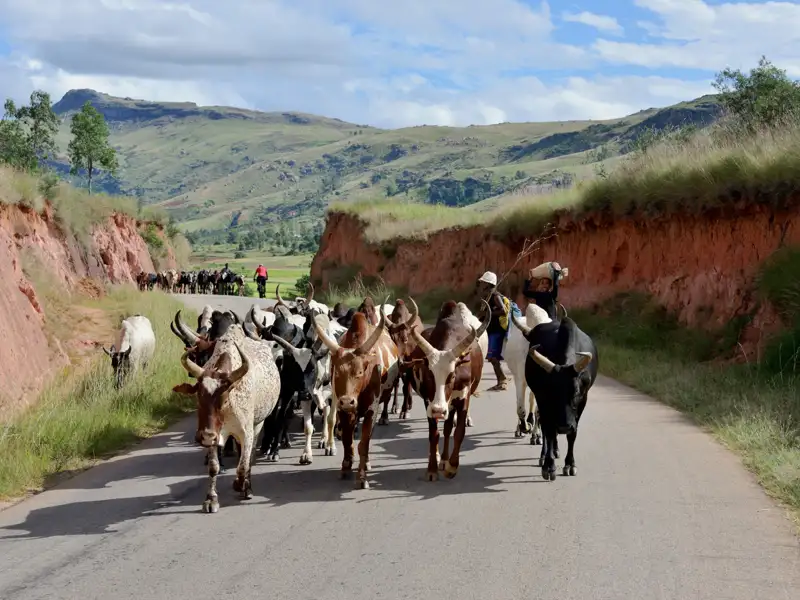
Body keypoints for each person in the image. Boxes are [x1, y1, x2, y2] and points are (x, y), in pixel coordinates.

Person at [475, 270, 513, 392]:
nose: (482, 284)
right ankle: (501, 379)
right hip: (491, 330)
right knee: (491, 357)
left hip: (496, 331)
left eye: (483, 282)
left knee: (493, 357)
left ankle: (502, 380)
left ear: (488, 283)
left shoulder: (495, 296)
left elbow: (503, 311)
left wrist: (486, 313)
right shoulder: (488, 295)